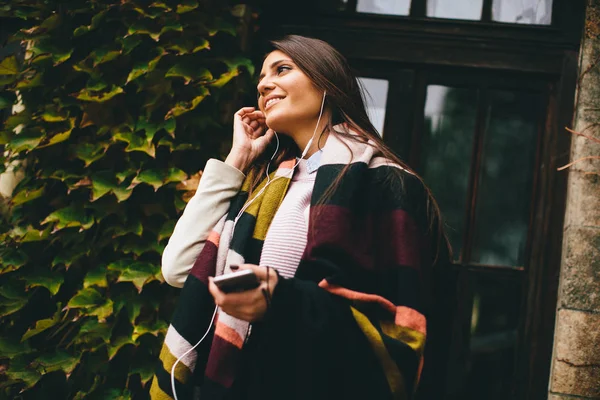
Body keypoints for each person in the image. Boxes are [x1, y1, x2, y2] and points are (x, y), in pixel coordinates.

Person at [150, 34, 451, 400]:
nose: (263, 84)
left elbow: (400, 326)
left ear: (326, 82)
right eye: (261, 77)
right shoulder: (264, 188)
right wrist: (238, 159)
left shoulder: (385, 183)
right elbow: (179, 268)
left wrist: (282, 301)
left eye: (282, 69)